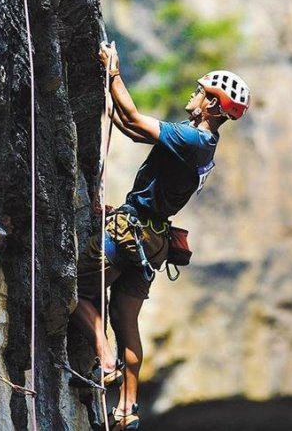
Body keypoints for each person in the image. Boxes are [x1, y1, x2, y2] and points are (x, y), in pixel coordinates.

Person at [70, 42, 251, 430]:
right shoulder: (197, 140)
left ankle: (103, 358)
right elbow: (129, 128)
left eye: (202, 92)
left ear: (213, 107)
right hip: (153, 243)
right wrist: (106, 89)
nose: (194, 94)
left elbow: (134, 119)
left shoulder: (195, 140)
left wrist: (113, 72)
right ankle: (127, 409)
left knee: (77, 290)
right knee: (126, 320)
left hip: (128, 231)